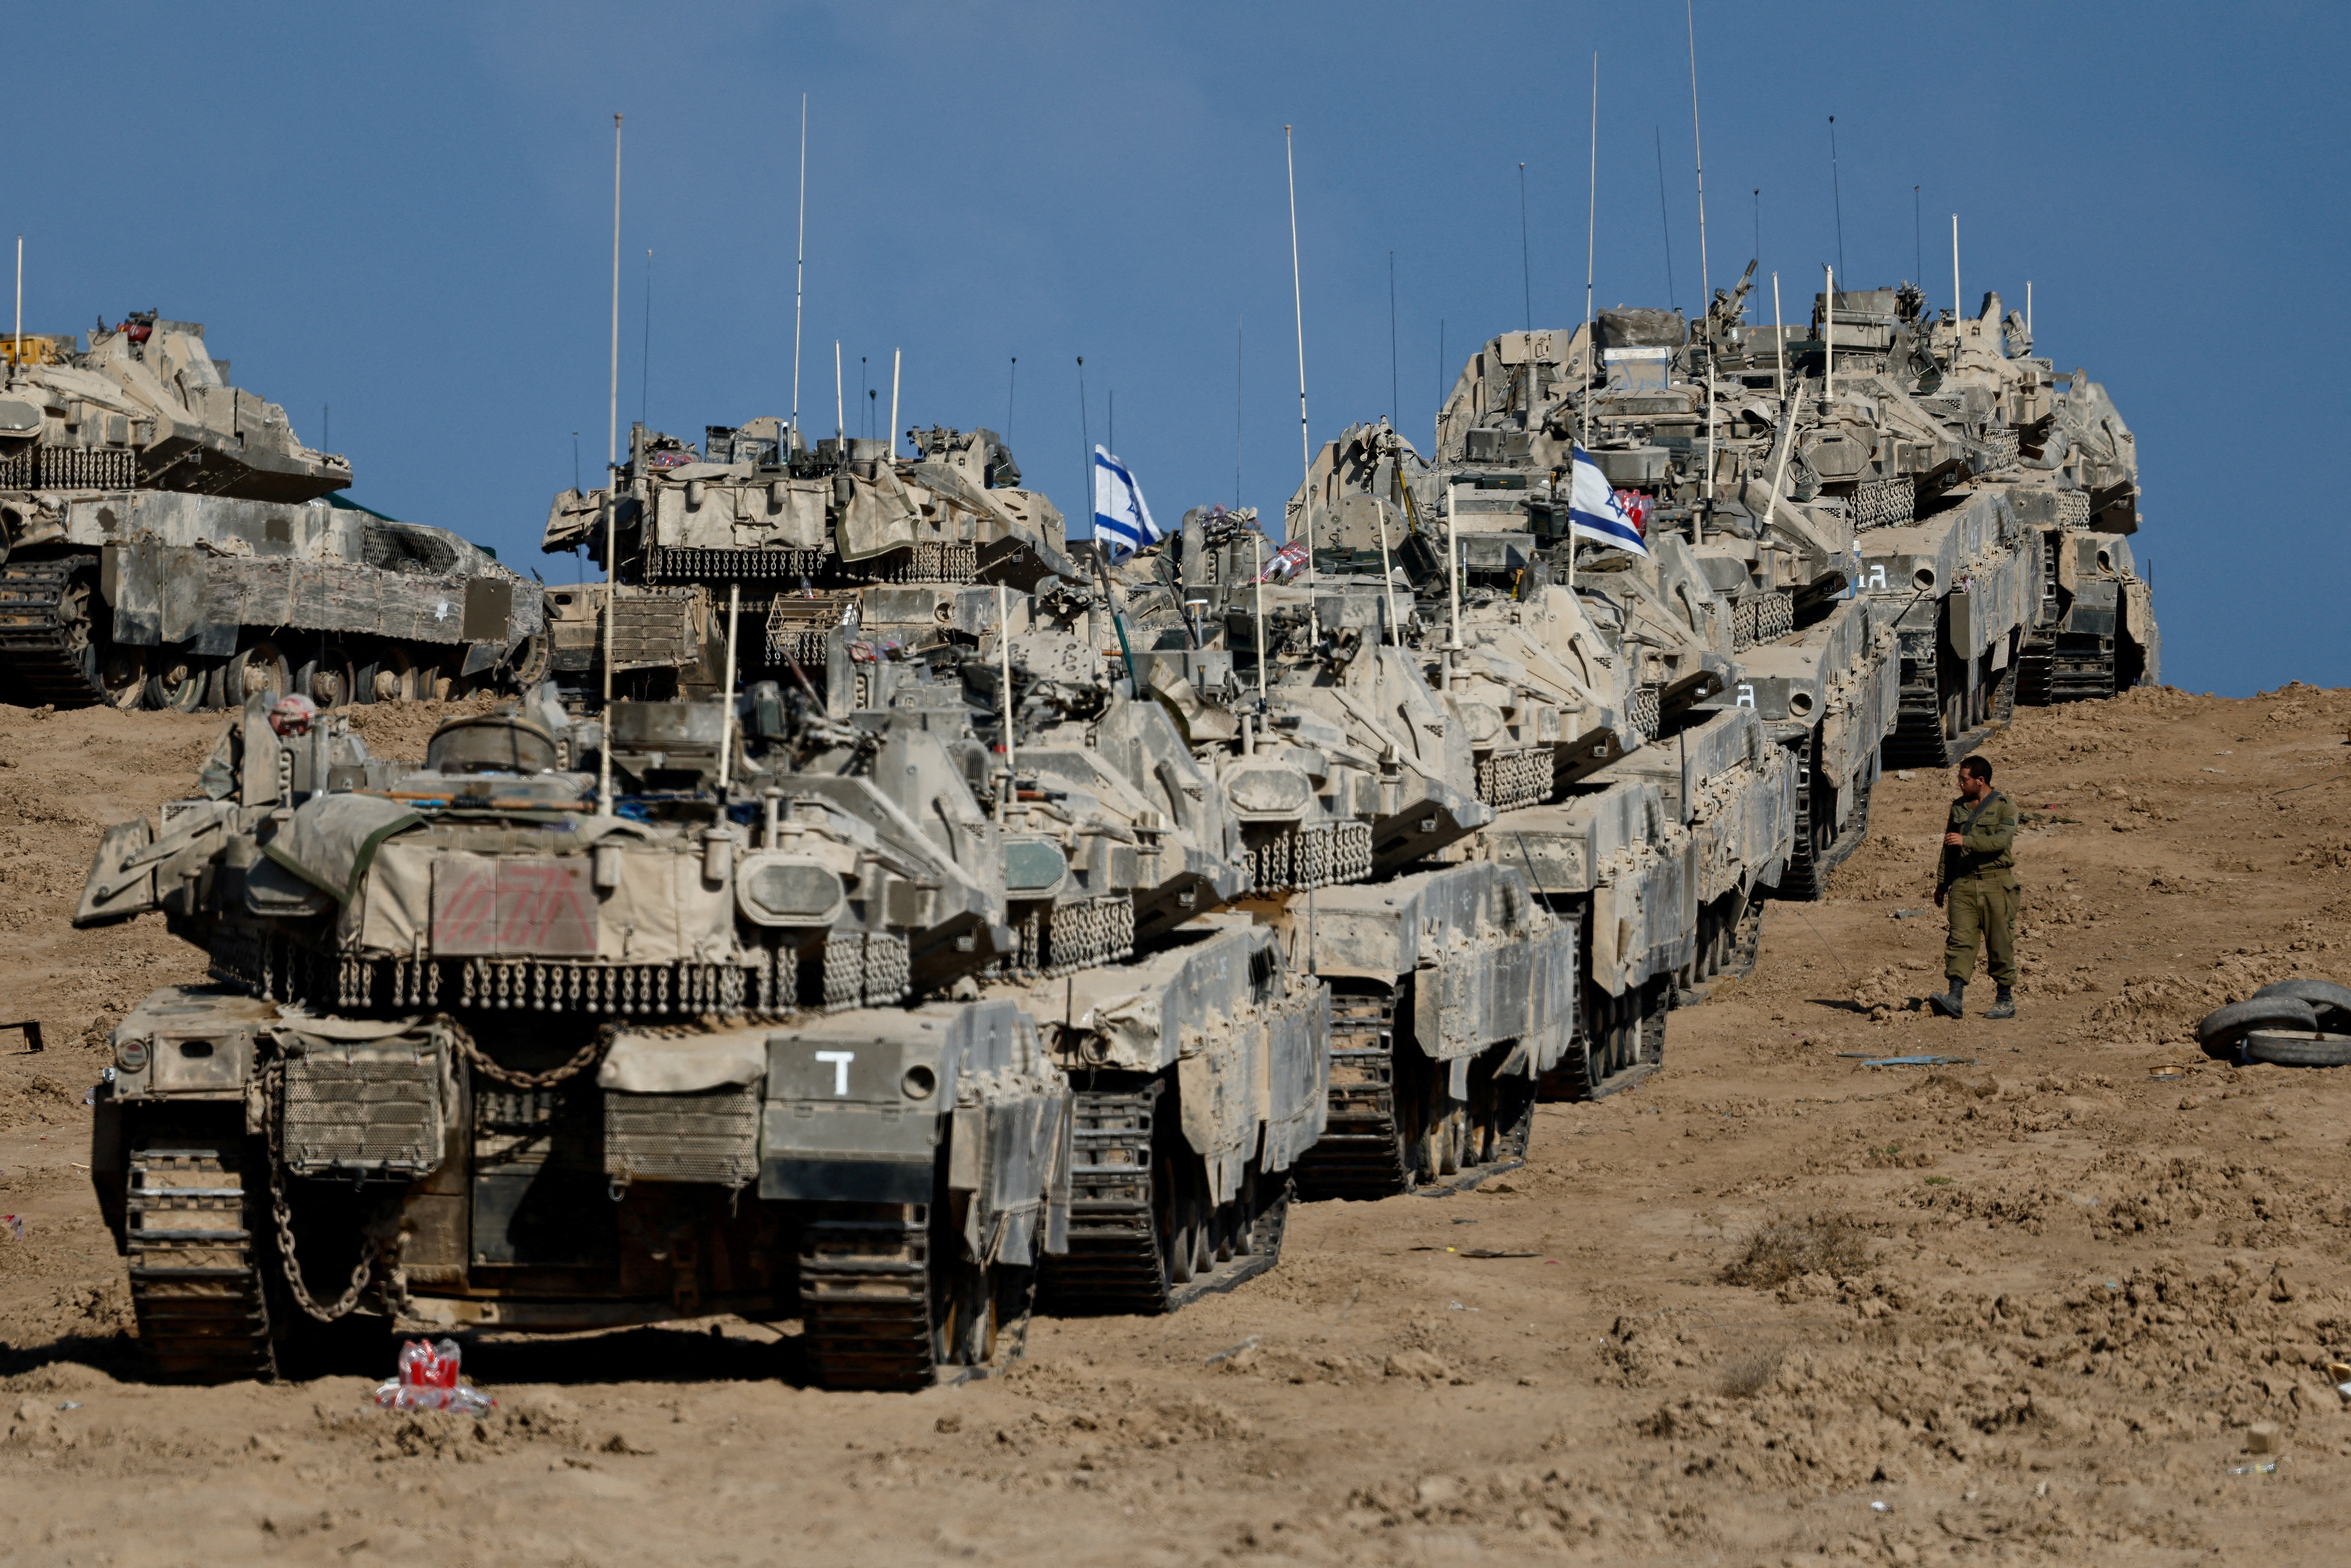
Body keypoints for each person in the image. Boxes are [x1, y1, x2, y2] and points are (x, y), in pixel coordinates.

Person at [1928, 755, 2019, 1020]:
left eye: (1963, 779)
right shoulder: (1959, 807)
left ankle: (2005, 1000)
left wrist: (1966, 841)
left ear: (1980, 781)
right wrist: (1942, 884)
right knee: (1960, 941)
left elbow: (2000, 843)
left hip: (1996, 884)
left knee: (2000, 943)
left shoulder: (2005, 807)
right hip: (1964, 884)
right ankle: (1954, 998)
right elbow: (1948, 849)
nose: (1959, 783)